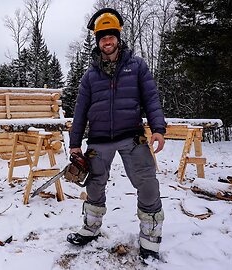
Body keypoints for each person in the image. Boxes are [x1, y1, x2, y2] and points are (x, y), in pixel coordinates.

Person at [66, 8, 166, 261]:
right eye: (102, 37)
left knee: (146, 182)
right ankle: (90, 228)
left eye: (111, 36)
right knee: (94, 184)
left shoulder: (137, 66)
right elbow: (80, 110)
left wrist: (158, 129)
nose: (107, 41)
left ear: (118, 38)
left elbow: (151, 98)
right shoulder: (90, 75)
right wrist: (75, 144)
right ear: (98, 42)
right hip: (99, 139)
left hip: (132, 135)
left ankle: (150, 236)